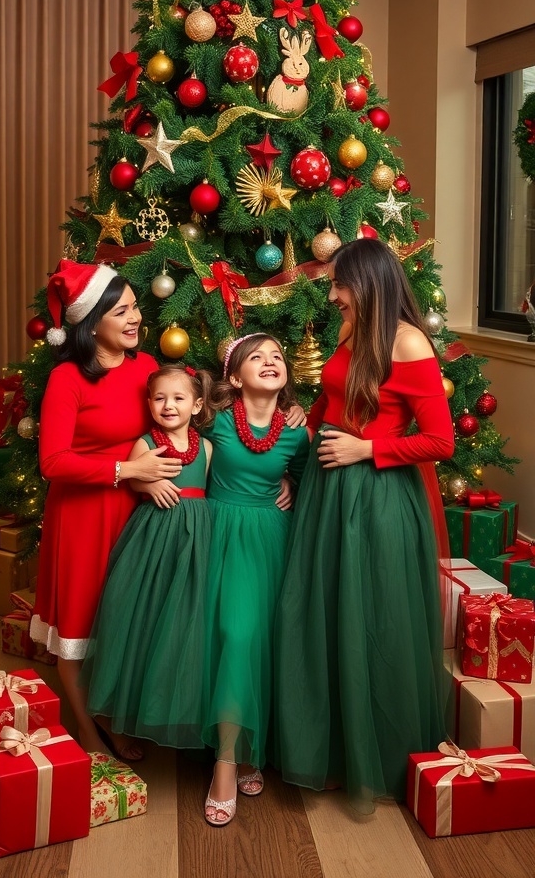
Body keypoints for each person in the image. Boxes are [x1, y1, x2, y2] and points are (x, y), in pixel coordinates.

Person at [274, 238, 455, 812]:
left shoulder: (408, 342)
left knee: (371, 622)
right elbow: (336, 402)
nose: (331, 296)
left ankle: (376, 756)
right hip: (330, 496)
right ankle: (333, 752)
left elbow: (439, 440)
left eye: (339, 284)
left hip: (376, 502)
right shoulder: (354, 332)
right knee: (327, 617)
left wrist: (365, 451)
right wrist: (305, 442)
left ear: (368, 283)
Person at [30, 259, 182, 757]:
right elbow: (52, 461)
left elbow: (180, 418)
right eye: (122, 311)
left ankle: (115, 715)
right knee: (81, 623)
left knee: (123, 619)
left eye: (136, 306)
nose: (136, 318)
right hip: (83, 518)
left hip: (137, 516)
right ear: (92, 321)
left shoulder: (147, 368)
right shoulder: (68, 379)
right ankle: (91, 732)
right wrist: (125, 471)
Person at [200, 333, 310, 826]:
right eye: (256, 358)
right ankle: (225, 761)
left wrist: (290, 482)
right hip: (219, 535)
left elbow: (310, 480)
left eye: (278, 357)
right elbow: (179, 458)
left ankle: (249, 748)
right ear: (233, 376)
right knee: (234, 639)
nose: (270, 362)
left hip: (273, 540)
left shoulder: (297, 432)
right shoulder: (215, 423)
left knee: (265, 644)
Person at [81, 365, 213, 750]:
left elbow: (219, 483)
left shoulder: (205, 446)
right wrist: (148, 481)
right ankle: (116, 716)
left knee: (183, 619)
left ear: (197, 404)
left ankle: (172, 708)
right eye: (159, 398)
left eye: (178, 398)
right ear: (149, 403)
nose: (168, 405)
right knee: (138, 614)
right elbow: (130, 477)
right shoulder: (146, 442)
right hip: (153, 536)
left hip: (196, 539)